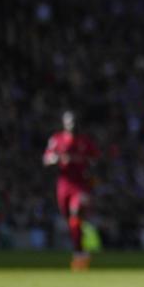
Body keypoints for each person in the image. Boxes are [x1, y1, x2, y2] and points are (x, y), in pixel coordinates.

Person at [43, 110, 100, 271]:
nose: (72, 125)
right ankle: (80, 250)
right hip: (63, 185)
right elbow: (46, 158)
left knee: (76, 214)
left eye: (74, 122)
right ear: (64, 123)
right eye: (69, 122)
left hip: (80, 185)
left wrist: (86, 165)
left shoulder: (85, 142)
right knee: (70, 220)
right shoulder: (57, 139)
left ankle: (79, 254)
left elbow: (96, 159)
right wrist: (54, 160)